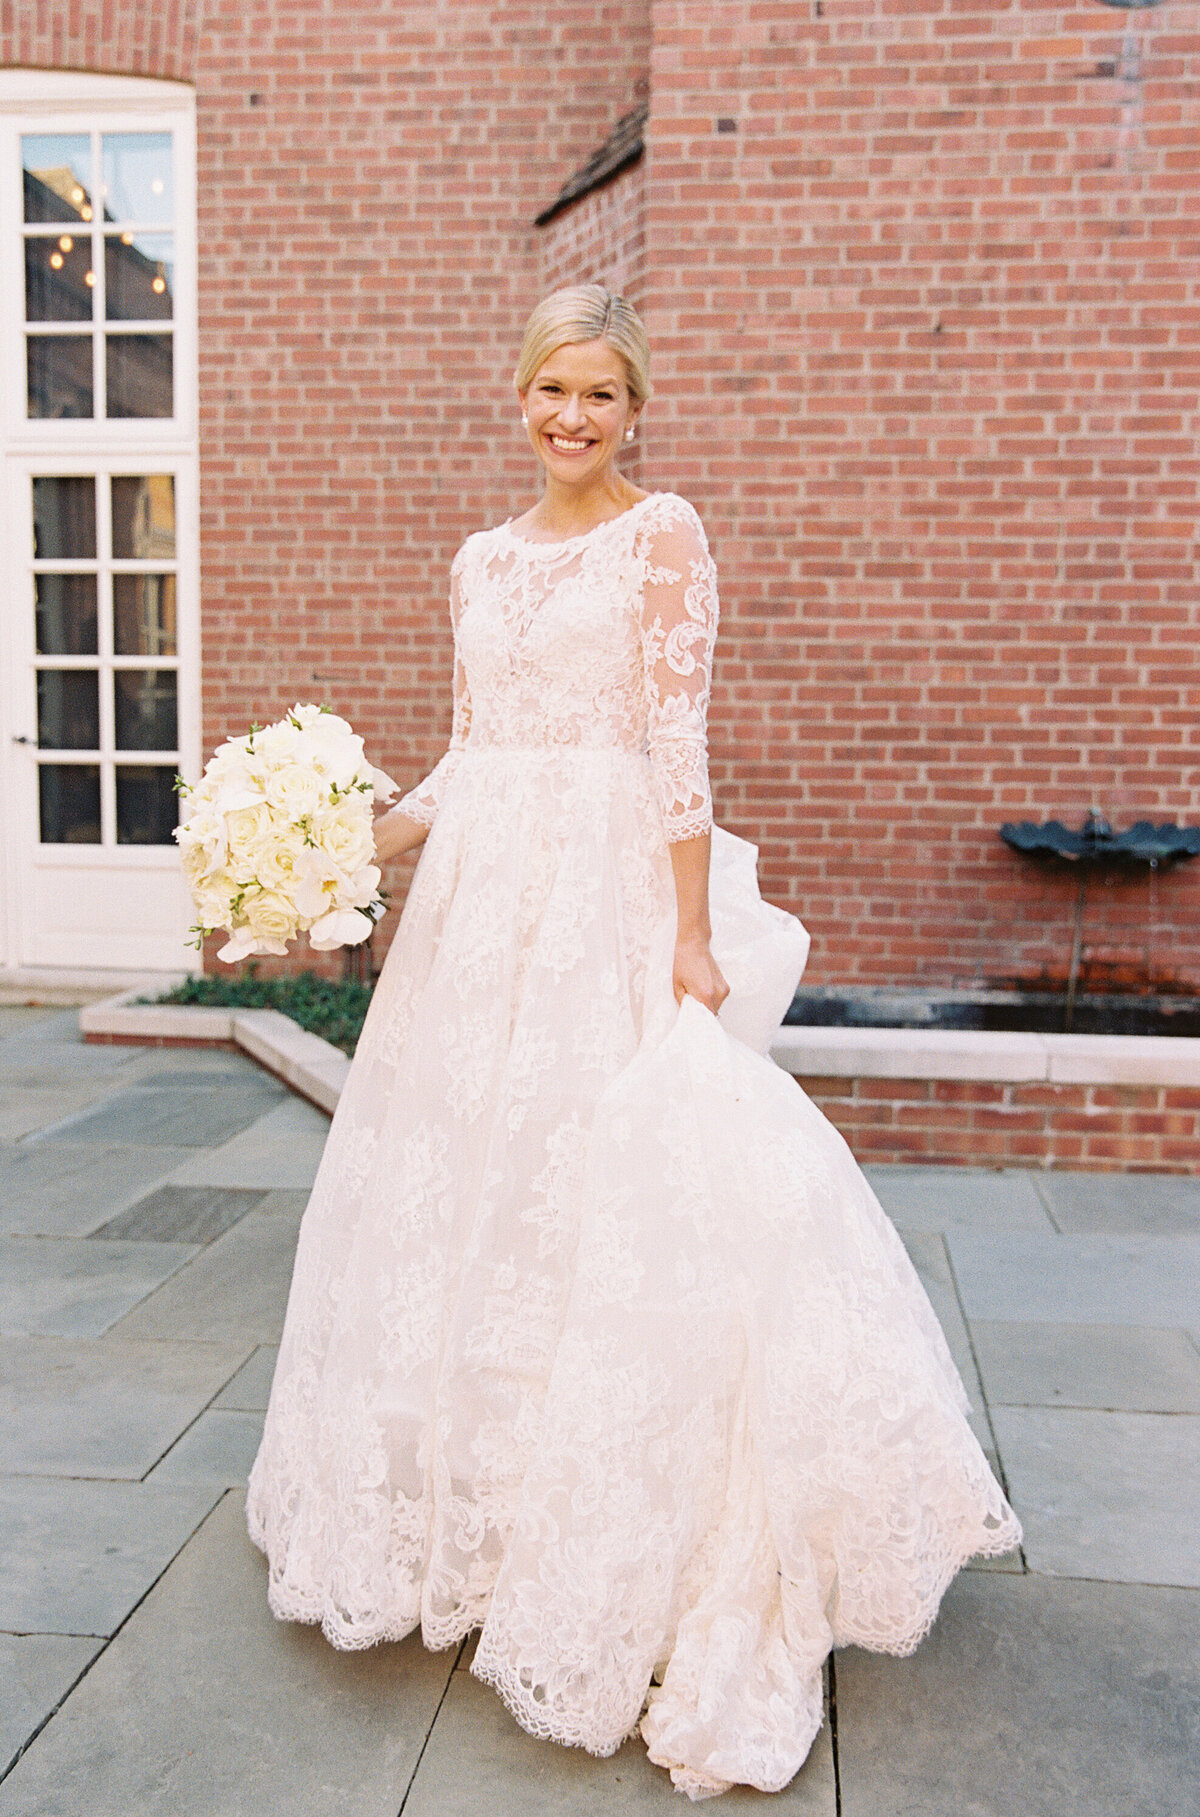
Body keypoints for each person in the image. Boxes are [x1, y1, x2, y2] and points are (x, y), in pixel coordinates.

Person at [247, 284, 1020, 1801]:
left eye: (601, 396)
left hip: (604, 902)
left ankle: (610, 1534)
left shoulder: (663, 536)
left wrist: (686, 931)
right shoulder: (476, 557)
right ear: (519, 396)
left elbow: (679, 749)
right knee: (456, 1195)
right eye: (553, 392)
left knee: (601, 1192)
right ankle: (456, 1513)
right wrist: (327, 856)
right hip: (478, 922)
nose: (574, 419)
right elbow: (466, 758)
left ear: (632, 407)